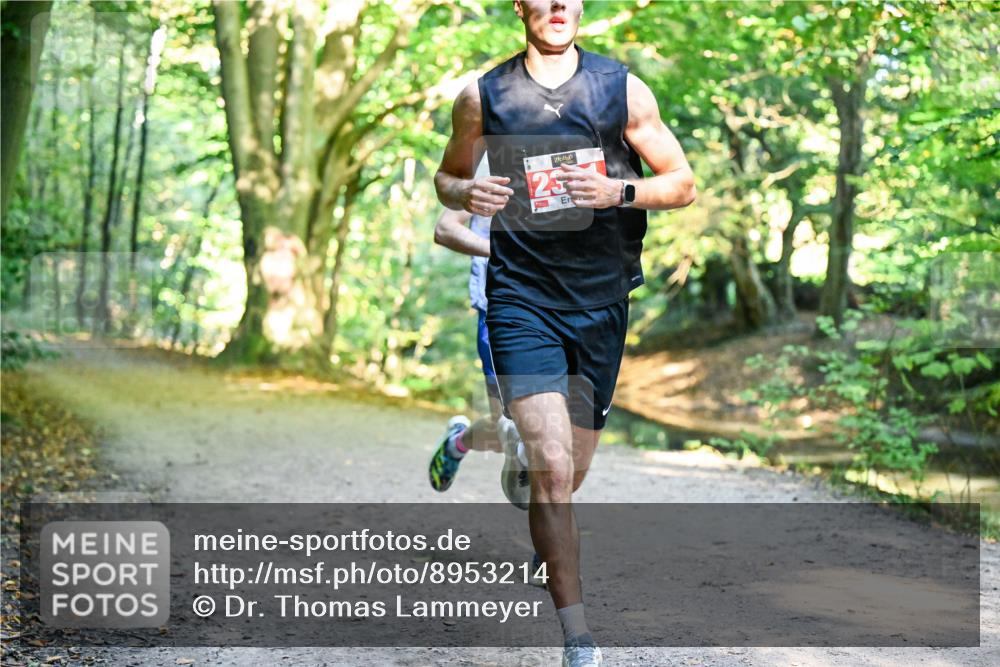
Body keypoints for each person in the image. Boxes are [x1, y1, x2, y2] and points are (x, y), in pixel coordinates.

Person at [433, 1, 696, 665]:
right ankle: (579, 638)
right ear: (519, 7)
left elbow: (682, 183)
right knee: (551, 469)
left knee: (567, 476)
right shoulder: (483, 96)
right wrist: (466, 196)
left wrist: (618, 193)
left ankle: (538, 519)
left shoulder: (622, 89)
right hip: (520, 298)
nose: (556, 5)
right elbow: (447, 178)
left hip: (601, 301)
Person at [426, 204, 531, 510]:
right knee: (504, 428)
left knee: (551, 425)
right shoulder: (483, 173)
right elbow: (446, 227)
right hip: (500, 307)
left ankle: (551, 544)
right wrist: (507, 251)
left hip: (562, 305)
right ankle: (457, 444)